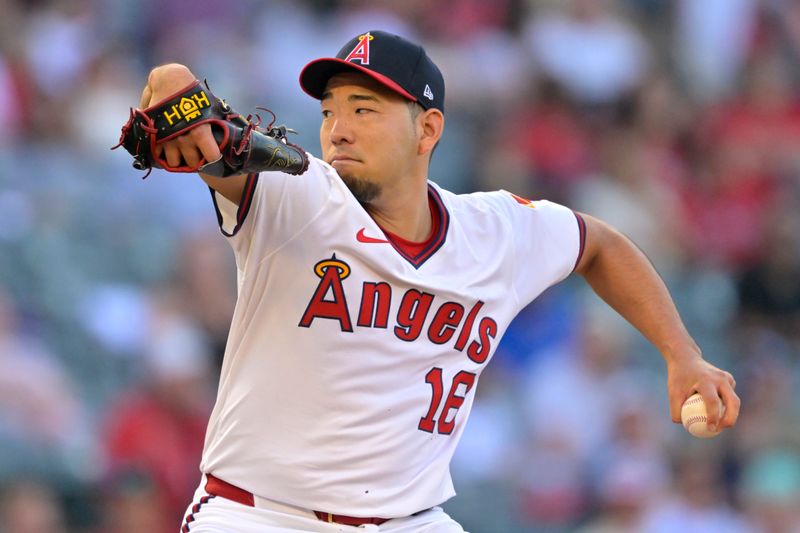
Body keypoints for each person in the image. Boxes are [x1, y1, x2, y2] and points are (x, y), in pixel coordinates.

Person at [133, 30, 740, 532]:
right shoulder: (290, 197)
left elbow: (599, 245)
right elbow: (168, 84)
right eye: (328, 111)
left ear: (427, 130)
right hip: (261, 516)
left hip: (409, 520)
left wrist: (681, 353)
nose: (338, 128)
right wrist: (185, 114)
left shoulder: (495, 232)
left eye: (363, 110)